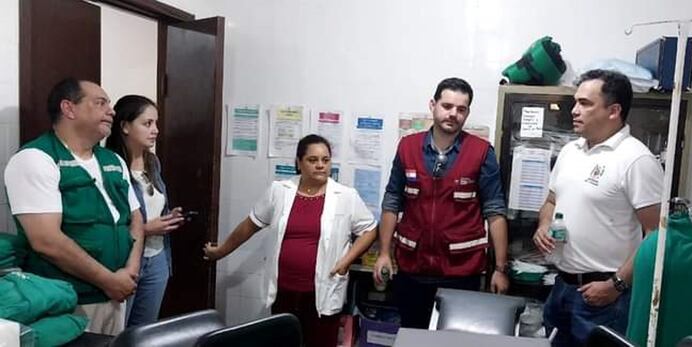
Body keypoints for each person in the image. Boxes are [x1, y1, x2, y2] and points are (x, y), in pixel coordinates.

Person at [203, 134, 377, 347]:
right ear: (299, 162)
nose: (320, 165)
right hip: (283, 290)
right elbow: (250, 225)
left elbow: (369, 229)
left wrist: (346, 261)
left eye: (325, 160)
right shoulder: (280, 191)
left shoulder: (346, 196)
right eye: (313, 160)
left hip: (322, 292)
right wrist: (221, 251)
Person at [4, 78, 144, 335]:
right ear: (69, 109)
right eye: (101, 103)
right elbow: (45, 240)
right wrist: (109, 280)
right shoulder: (36, 159)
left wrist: (130, 272)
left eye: (110, 104)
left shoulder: (112, 159)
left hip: (117, 293)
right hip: (67, 301)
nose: (111, 111)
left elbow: (135, 220)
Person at [532, 69, 663, 346]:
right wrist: (544, 225)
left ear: (614, 110)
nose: (574, 111)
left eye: (585, 104)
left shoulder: (635, 159)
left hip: (603, 295)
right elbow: (551, 201)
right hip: (562, 286)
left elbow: (656, 233)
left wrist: (616, 285)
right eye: (576, 102)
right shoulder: (570, 151)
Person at [373, 77, 510, 329]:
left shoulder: (481, 152)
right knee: (413, 338)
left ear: (467, 112)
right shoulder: (408, 147)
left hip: (461, 273)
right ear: (433, 105)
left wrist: (499, 269)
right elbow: (392, 200)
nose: (453, 114)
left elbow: (495, 211)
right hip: (412, 270)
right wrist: (383, 253)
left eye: (461, 109)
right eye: (447, 106)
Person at [105, 95, 185, 327]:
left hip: (158, 258)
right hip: (126, 260)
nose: (156, 130)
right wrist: (147, 229)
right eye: (147, 123)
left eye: (156, 123)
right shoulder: (109, 164)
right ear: (125, 126)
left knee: (144, 331)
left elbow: (154, 204)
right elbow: (110, 221)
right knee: (119, 331)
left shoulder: (152, 162)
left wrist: (169, 218)